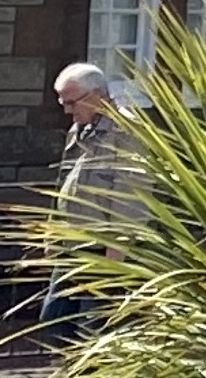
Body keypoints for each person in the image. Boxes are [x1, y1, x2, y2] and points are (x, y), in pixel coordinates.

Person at [40, 61, 139, 332]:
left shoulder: (127, 132)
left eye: (72, 103)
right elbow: (65, 183)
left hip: (103, 249)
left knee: (92, 327)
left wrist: (116, 251)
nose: (67, 111)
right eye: (63, 103)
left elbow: (132, 195)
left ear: (97, 95)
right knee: (54, 321)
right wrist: (52, 234)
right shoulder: (78, 129)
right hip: (72, 246)